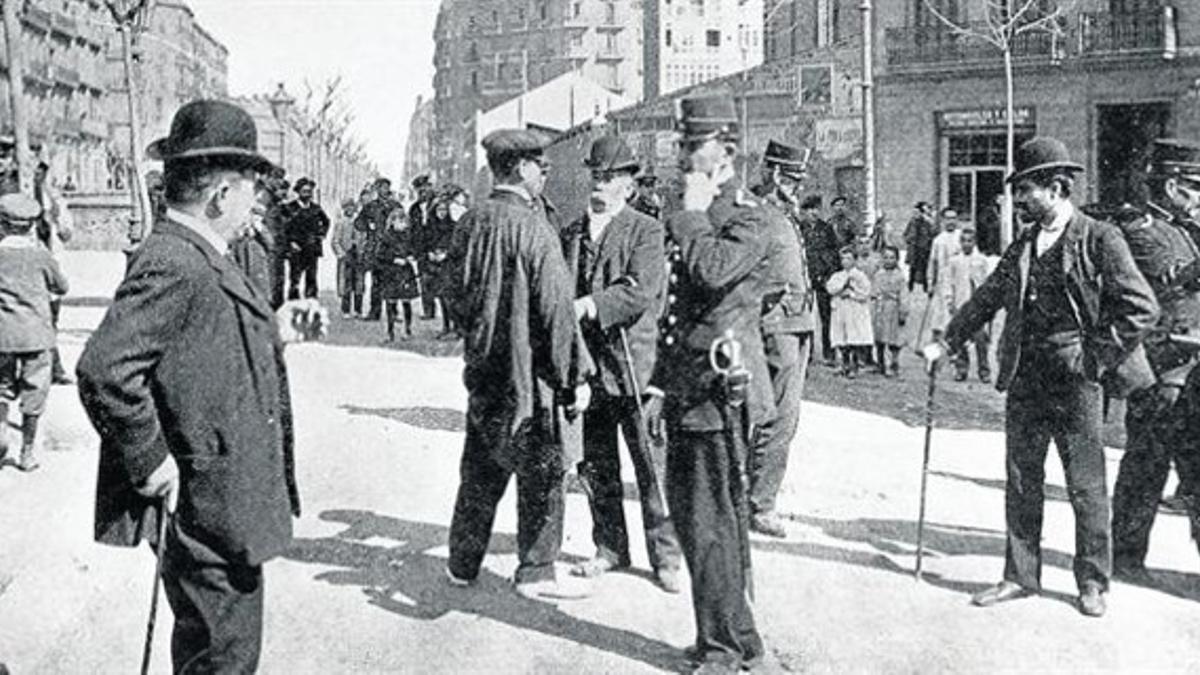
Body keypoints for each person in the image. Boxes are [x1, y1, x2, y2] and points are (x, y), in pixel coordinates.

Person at [77, 100, 322, 671]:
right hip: (205, 505)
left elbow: (198, 346)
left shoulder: (201, 254)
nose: (256, 201)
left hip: (224, 502)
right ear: (220, 195)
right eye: (250, 188)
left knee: (218, 650)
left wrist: (275, 334)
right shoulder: (175, 261)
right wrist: (151, 460)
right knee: (222, 656)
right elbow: (104, 369)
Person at [923, 136, 1159, 618]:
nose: (1018, 200)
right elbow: (988, 297)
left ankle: (1094, 582)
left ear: (1055, 187)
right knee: (1022, 480)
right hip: (1027, 379)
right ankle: (1019, 576)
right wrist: (945, 341)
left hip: (1076, 381)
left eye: (1025, 190)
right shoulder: (1025, 243)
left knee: (1086, 485)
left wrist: (1095, 359)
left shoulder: (1100, 238)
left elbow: (1142, 309)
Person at [645, 95, 774, 673]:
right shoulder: (697, 209)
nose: (682, 156)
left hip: (722, 393)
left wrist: (693, 215)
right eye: (681, 144)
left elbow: (713, 272)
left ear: (727, 149)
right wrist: (659, 386)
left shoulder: (748, 214)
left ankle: (724, 651)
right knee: (700, 522)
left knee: (713, 524)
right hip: (689, 387)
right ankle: (731, 638)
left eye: (692, 145)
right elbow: (674, 311)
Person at [444, 128, 594, 601]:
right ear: (522, 169)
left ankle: (462, 564)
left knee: (481, 469)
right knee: (544, 472)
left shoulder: (470, 222)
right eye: (541, 167)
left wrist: (482, 333)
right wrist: (574, 377)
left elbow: (450, 292)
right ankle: (536, 570)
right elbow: (557, 313)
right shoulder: (535, 228)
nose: (545, 174)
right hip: (531, 378)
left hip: (484, 370)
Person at [559, 136, 681, 592]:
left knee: (652, 467)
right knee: (597, 465)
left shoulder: (645, 230)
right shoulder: (572, 233)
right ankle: (609, 547)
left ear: (629, 187)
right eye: (596, 176)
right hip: (589, 369)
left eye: (610, 179)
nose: (600, 185)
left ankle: (666, 557)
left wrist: (589, 305)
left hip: (635, 367)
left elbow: (640, 291)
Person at [1111, 138, 1200, 583]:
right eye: (1196, 187)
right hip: (1161, 369)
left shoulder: (1187, 226)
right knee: (1147, 464)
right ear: (1171, 187)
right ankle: (1126, 559)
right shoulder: (1140, 229)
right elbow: (1170, 283)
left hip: (1192, 367)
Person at [747, 138, 816, 539]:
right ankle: (759, 503)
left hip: (797, 323)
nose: (799, 187)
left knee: (784, 418)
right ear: (774, 174)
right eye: (793, 179)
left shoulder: (782, 214)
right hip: (774, 326)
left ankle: (755, 496)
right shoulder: (757, 214)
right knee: (775, 417)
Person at [0, 193, 68, 472]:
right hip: (37, 336)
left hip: (3, 335)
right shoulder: (41, 256)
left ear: (2, 225)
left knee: (1, 388)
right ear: (31, 226)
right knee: (35, 392)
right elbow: (62, 287)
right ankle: (27, 452)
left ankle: (1, 436)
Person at [33, 160, 74, 385]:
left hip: (50, 267)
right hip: (28, 266)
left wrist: (56, 216)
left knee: (49, 319)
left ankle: (52, 367)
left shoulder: (54, 201)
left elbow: (67, 232)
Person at [944, 227, 996, 382]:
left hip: (977, 307)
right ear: (960, 242)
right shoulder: (954, 261)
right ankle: (961, 369)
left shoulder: (981, 260)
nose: (967, 244)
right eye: (964, 241)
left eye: (970, 241)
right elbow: (949, 282)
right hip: (961, 304)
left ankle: (984, 371)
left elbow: (986, 282)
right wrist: (950, 300)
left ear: (974, 242)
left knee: (980, 339)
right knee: (960, 339)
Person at [800, 195, 839, 364]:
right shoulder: (800, 229)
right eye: (810, 209)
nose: (814, 213)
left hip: (823, 276)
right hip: (805, 277)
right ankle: (806, 354)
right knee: (805, 316)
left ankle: (828, 353)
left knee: (826, 316)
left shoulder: (826, 229)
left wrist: (831, 274)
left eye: (816, 209)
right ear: (805, 211)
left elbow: (834, 252)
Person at [356, 178, 400, 321]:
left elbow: (404, 223)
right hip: (376, 248)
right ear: (376, 189)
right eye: (381, 187)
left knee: (393, 281)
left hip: (392, 247)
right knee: (376, 281)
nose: (384, 190)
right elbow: (358, 223)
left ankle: (393, 313)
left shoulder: (396, 206)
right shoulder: (370, 206)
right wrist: (368, 226)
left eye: (386, 187)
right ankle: (374, 312)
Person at [826, 247, 873, 378]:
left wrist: (852, 293)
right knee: (841, 338)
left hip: (854, 311)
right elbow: (830, 288)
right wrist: (841, 288)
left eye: (849, 259)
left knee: (854, 338)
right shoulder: (837, 276)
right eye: (843, 259)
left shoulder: (860, 276)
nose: (845, 262)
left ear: (855, 260)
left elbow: (865, 292)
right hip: (841, 311)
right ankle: (843, 363)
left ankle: (854, 365)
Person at [376, 208, 421, 341]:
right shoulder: (386, 236)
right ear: (392, 222)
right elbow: (380, 255)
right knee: (391, 302)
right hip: (391, 273)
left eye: (404, 221)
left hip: (405, 273)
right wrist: (394, 259)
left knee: (406, 302)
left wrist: (411, 256)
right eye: (399, 221)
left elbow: (414, 250)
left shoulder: (409, 236)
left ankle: (407, 329)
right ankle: (390, 332)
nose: (402, 224)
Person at [283, 177, 330, 300]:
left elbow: (326, 222)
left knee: (312, 276)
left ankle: (311, 302)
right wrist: (290, 242)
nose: (307, 194)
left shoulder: (316, 208)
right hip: (296, 248)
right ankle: (294, 302)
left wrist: (321, 234)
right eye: (304, 191)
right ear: (298, 192)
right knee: (295, 277)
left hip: (312, 247)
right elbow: (284, 228)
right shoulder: (289, 208)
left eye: (309, 192)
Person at [925, 207, 963, 344]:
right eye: (948, 218)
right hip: (941, 284)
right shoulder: (938, 241)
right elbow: (933, 263)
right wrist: (930, 282)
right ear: (942, 221)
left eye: (954, 218)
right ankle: (936, 353)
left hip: (959, 283)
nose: (951, 221)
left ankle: (957, 350)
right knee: (938, 319)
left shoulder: (962, 238)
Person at [871, 245, 907, 376]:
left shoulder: (900, 276)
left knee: (893, 337)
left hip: (893, 308)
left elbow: (904, 294)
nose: (888, 260)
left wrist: (903, 311)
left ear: (897, 259)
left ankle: (893, 363)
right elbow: (874, 292)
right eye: (886, 257)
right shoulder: (878, 274)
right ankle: (881, 363)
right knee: (880, 336)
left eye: (892, 258)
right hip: (880, 308)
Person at [409, 174, 439, 320]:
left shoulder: (439, 205)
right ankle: (429, 310)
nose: (423, 192)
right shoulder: (414, 209)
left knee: (439, 280)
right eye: (419, 190)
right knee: (424, 280)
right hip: (421, 250)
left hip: (437, 249)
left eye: (425, 188)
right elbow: (411, 231)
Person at [331, 197, 365, 318]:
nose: (350, 209)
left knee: (359, 283)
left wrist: (362, 250)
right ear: (343, 209)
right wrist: (341, 254)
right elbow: (335, 241)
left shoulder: (360, 222)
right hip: (347, 256)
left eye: (352, 207)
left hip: (358, 256)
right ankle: (345, 310)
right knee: (346, 283)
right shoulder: (340, 223)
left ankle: (358, 310)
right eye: (347, 207)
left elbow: (364, 238)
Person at [904, 201, 937, 292]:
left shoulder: (927, 223)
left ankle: (925, 288)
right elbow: (906, 234)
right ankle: (910, 288)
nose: (915, 214)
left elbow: (932, 235)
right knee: (912, 270)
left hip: (924, 250)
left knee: (925, 269)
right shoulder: (912, 223)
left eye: (917, 212)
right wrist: (909, 240)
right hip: (914, 250)